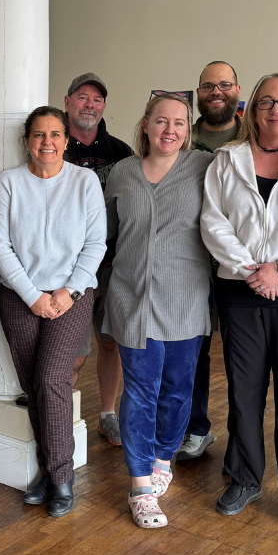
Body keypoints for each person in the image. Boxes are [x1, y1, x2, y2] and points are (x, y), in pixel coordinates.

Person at [201, 73, 278, 531]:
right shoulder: (226, 160)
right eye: (266, 101)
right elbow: (213, 222)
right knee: (244, 392)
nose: (276, 108)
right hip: (241, 291)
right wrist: (252, 270)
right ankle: (244, 478)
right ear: (251, 110)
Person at [0, 106, 105, 518]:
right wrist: (32, 294)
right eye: (39, 135)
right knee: (34, 385)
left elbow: (96, 244)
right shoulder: (9, 183)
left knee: (53, 378)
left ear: (66, 140)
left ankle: (61, 477)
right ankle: (49, 470)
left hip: (71, 296)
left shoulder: (84, 181)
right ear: (27, 141)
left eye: (55, 134)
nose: (47, 143)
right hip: (20, 298)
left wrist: (66, 292)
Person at [103, 95, 213, 529]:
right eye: (161, 121)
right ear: (145, 125)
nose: (170, 129)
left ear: (188, 130)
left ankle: (164, 456)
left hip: (186, 300)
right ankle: (140, 486)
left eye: (180, 123)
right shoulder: (122, 173)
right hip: (132, 300)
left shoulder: (205, 167)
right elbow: (106, 235)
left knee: (176, 390)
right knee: (140, 392)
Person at [176, 61, 243, 462]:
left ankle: (243, 440)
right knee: (194, 349)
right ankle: (196, 428)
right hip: (191, 261)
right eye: (207, 86)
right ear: (197, 92)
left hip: (240, 264)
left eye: (224, 85)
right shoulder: (182, 137)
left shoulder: (253, 134)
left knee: (241, 354)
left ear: (237, 89)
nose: (215, 92)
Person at [63, 72, 133, 447]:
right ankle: (63, 421)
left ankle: (108, 414)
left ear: (104, 106)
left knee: (110, 343)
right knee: (72, 353)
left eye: (96, 99)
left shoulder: (120, 153)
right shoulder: (55, 146)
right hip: (67, 267)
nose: (89, 104)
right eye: (82, 97)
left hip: (110, 265)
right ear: (68, 101)